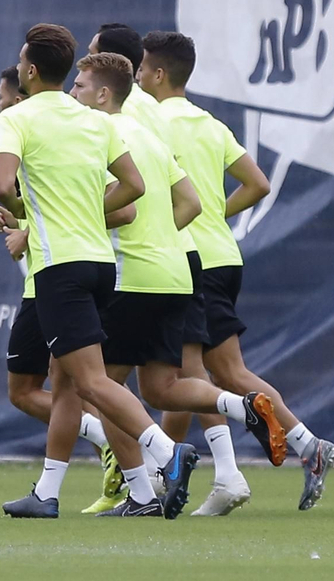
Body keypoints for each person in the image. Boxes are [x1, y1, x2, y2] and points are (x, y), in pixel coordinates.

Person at [66, 51, 284, 516]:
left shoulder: (97, 134)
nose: (72, 93)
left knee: (102, 387)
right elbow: (191, 203)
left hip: (131, 277)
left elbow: (123, 208)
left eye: (79, 86)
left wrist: (85, 222)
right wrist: (161, 238)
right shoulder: (149, 135)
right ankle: (241, 405)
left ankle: (143, 492)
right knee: (162, 387)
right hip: (177, 273)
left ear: (103, 94)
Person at [0, 23, 194, 519]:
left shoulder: (17, 117)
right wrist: (82, 212)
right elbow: (134, 186)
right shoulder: (94, 120)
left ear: (30, 71)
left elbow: (1, 185)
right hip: (102, 265)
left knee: (93, 384)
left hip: (59, 266)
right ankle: (52, 493)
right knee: (65, 383)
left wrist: (23, 211)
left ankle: (168, 454)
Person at [136, 30, 334, 512]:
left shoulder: (148, 121)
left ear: (159, 74)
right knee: (215, 372)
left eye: (142, 69)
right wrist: (215, 215)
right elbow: (258, 183)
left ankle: (227, 474)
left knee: (195, 374)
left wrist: (194, 220)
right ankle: (302, 448)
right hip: (224, 256)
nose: (138, 77)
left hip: (192, 260)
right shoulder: (210, 123)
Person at [0, 66, 125, 516]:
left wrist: (30, 227)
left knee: (84, 383)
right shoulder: (73, 126)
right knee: (55, 385)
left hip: (58, 274)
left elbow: (117, 205)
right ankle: (49, 493)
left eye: (3, 97)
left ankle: (156, 452)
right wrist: (25, 223)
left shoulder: (40, 124)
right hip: (65, 269)